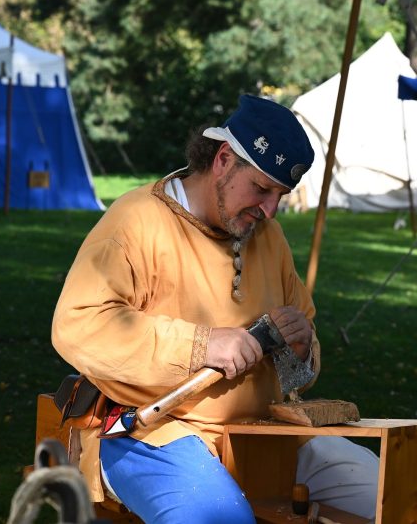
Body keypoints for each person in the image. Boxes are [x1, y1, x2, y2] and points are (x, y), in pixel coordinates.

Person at [51, 94, 378, 524]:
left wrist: (299, 348)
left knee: (396, 493)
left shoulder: (269, 237)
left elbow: (304, 353)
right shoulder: (137, 221)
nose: (270, 210)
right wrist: (201, 345)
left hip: (266, 435)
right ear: (223, 159)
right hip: (153, 433)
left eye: (280, 195)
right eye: (261, 188)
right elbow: (77, 325)